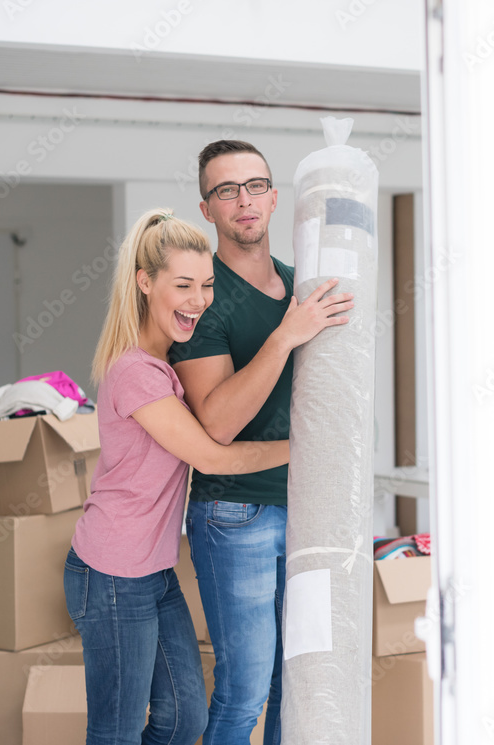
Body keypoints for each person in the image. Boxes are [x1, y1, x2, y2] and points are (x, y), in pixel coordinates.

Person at [64, 208, 292, 745]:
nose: (198, 300)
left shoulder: (163, 365)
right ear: (145, 283)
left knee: (183, 719)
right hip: (113, 574)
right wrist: (306, 447)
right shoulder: (136, 374)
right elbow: (213, 457)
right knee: (116, 731)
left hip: (154, 571)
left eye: (207, 285)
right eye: (183, 285)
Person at [169, 141, 354, 745]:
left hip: (307, 507)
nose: (243, 201)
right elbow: (216, 422)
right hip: (234, 513)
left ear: (275, 198)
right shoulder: (203, 298)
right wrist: (285, 335)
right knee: (244, 690)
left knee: (291, 684)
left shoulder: (305, 287)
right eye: (226, 191)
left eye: (254, 186)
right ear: (207, 208)